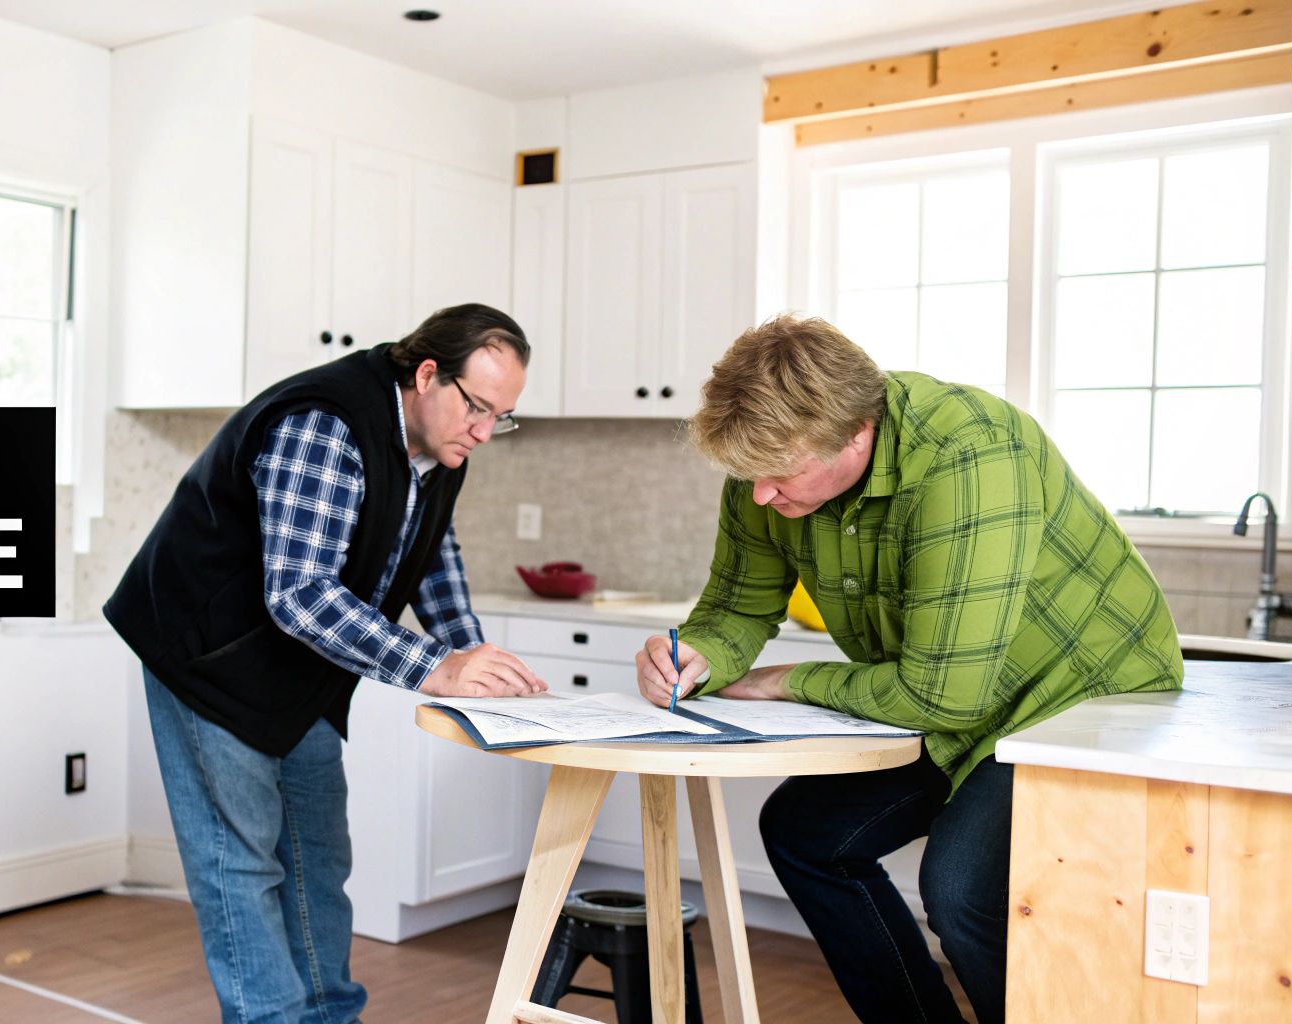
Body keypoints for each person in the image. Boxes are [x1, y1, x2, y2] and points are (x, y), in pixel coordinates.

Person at [633, 314, 1182, 1024]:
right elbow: (737, 606)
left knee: (963, 890)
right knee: (806, 835)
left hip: (1083, 702)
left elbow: (941, 694)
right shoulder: (768, 470)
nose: (761, 495)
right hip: (949, 696)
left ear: (856, 432)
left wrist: (784, 679)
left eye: (778, 475)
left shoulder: (971, 454)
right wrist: (697, 655)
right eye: (748, 476)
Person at [105, 303, 546, 1024]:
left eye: (503, 416)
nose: (485, 431)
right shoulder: (326, 423)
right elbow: (302, 592)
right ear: (427, 374)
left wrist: (471, 656)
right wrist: (436, 666)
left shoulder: (442, 444)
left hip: (295, 666)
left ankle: (331, 1016)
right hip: (206, 658)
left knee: (317, 860)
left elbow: (431, 553)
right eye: (478, 407)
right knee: (240, 866)